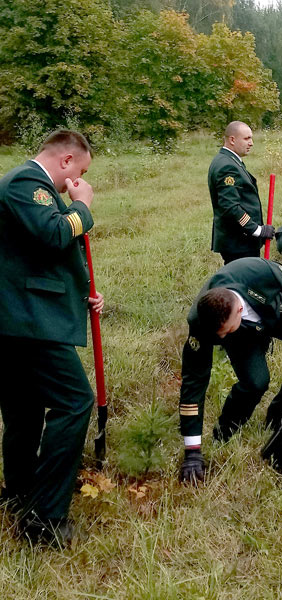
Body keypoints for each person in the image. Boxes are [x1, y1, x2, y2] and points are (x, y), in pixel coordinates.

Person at [0, 129, 104, 545]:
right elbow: (56, 233)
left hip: (18, 317)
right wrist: (83, 206)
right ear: (66, 160)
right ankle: (45, 518)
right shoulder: (27, 182)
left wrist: (84, 294)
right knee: (75, 402)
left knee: (24, 410)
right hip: (27, 321)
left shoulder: (29, 184)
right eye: (79, 171)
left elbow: (38, 255)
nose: (75, 181)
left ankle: (21, 493)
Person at [177, 257, 282, 482]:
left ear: (239, 309)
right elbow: (194, 382)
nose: (221, 339)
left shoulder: (257, 272)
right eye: (219, 336)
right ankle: (225, 431)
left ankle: (280, 416)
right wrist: (192, 451)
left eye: (225, 332)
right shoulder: (201, 323)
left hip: (274, 310)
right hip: (243, 333)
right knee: (256, 382)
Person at [208, 121, 274, 265]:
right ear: (232, 139)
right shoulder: (227, 166)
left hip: (240, 240)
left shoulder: (231, 160)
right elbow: (230, 207)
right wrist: (257, 230)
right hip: (239, 241)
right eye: (246, 138)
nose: (251, 143)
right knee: (241, 282)